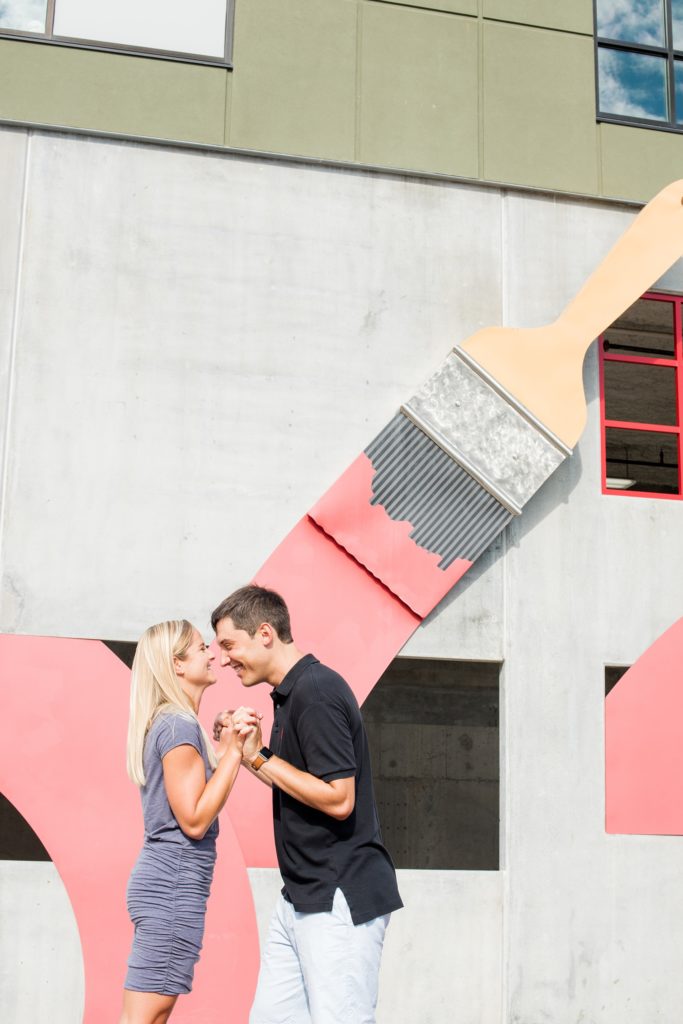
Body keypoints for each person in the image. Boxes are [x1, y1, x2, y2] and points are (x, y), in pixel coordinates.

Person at [211, 585, 403, 1024]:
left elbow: (339, 798)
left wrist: (260, 756)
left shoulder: (315, 692)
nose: (223, 659)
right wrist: (242, 751)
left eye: (228, 645)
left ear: (264, 633)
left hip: (338, 897)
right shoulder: (291, 693)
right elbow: (294, 783)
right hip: (300, 898)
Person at [119, 619, 257, 1024]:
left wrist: (219, 747)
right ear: (177, 665)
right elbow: (194, 820)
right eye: (200, 648)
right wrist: (232, 752)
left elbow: (188, 798)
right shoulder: (177, 725)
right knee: (146, 1018)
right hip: (172, 887)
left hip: (169, 885)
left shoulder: (175, 724)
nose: (211, 653)